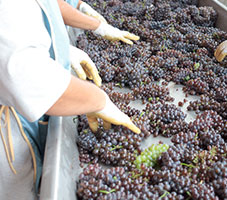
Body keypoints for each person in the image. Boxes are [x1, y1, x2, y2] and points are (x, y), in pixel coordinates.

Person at [0, 0, 139, 199]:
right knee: (18, 190)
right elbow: (25, 77)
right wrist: (97, 99)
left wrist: (59, 49)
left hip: (20, 108)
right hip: (8, 127)